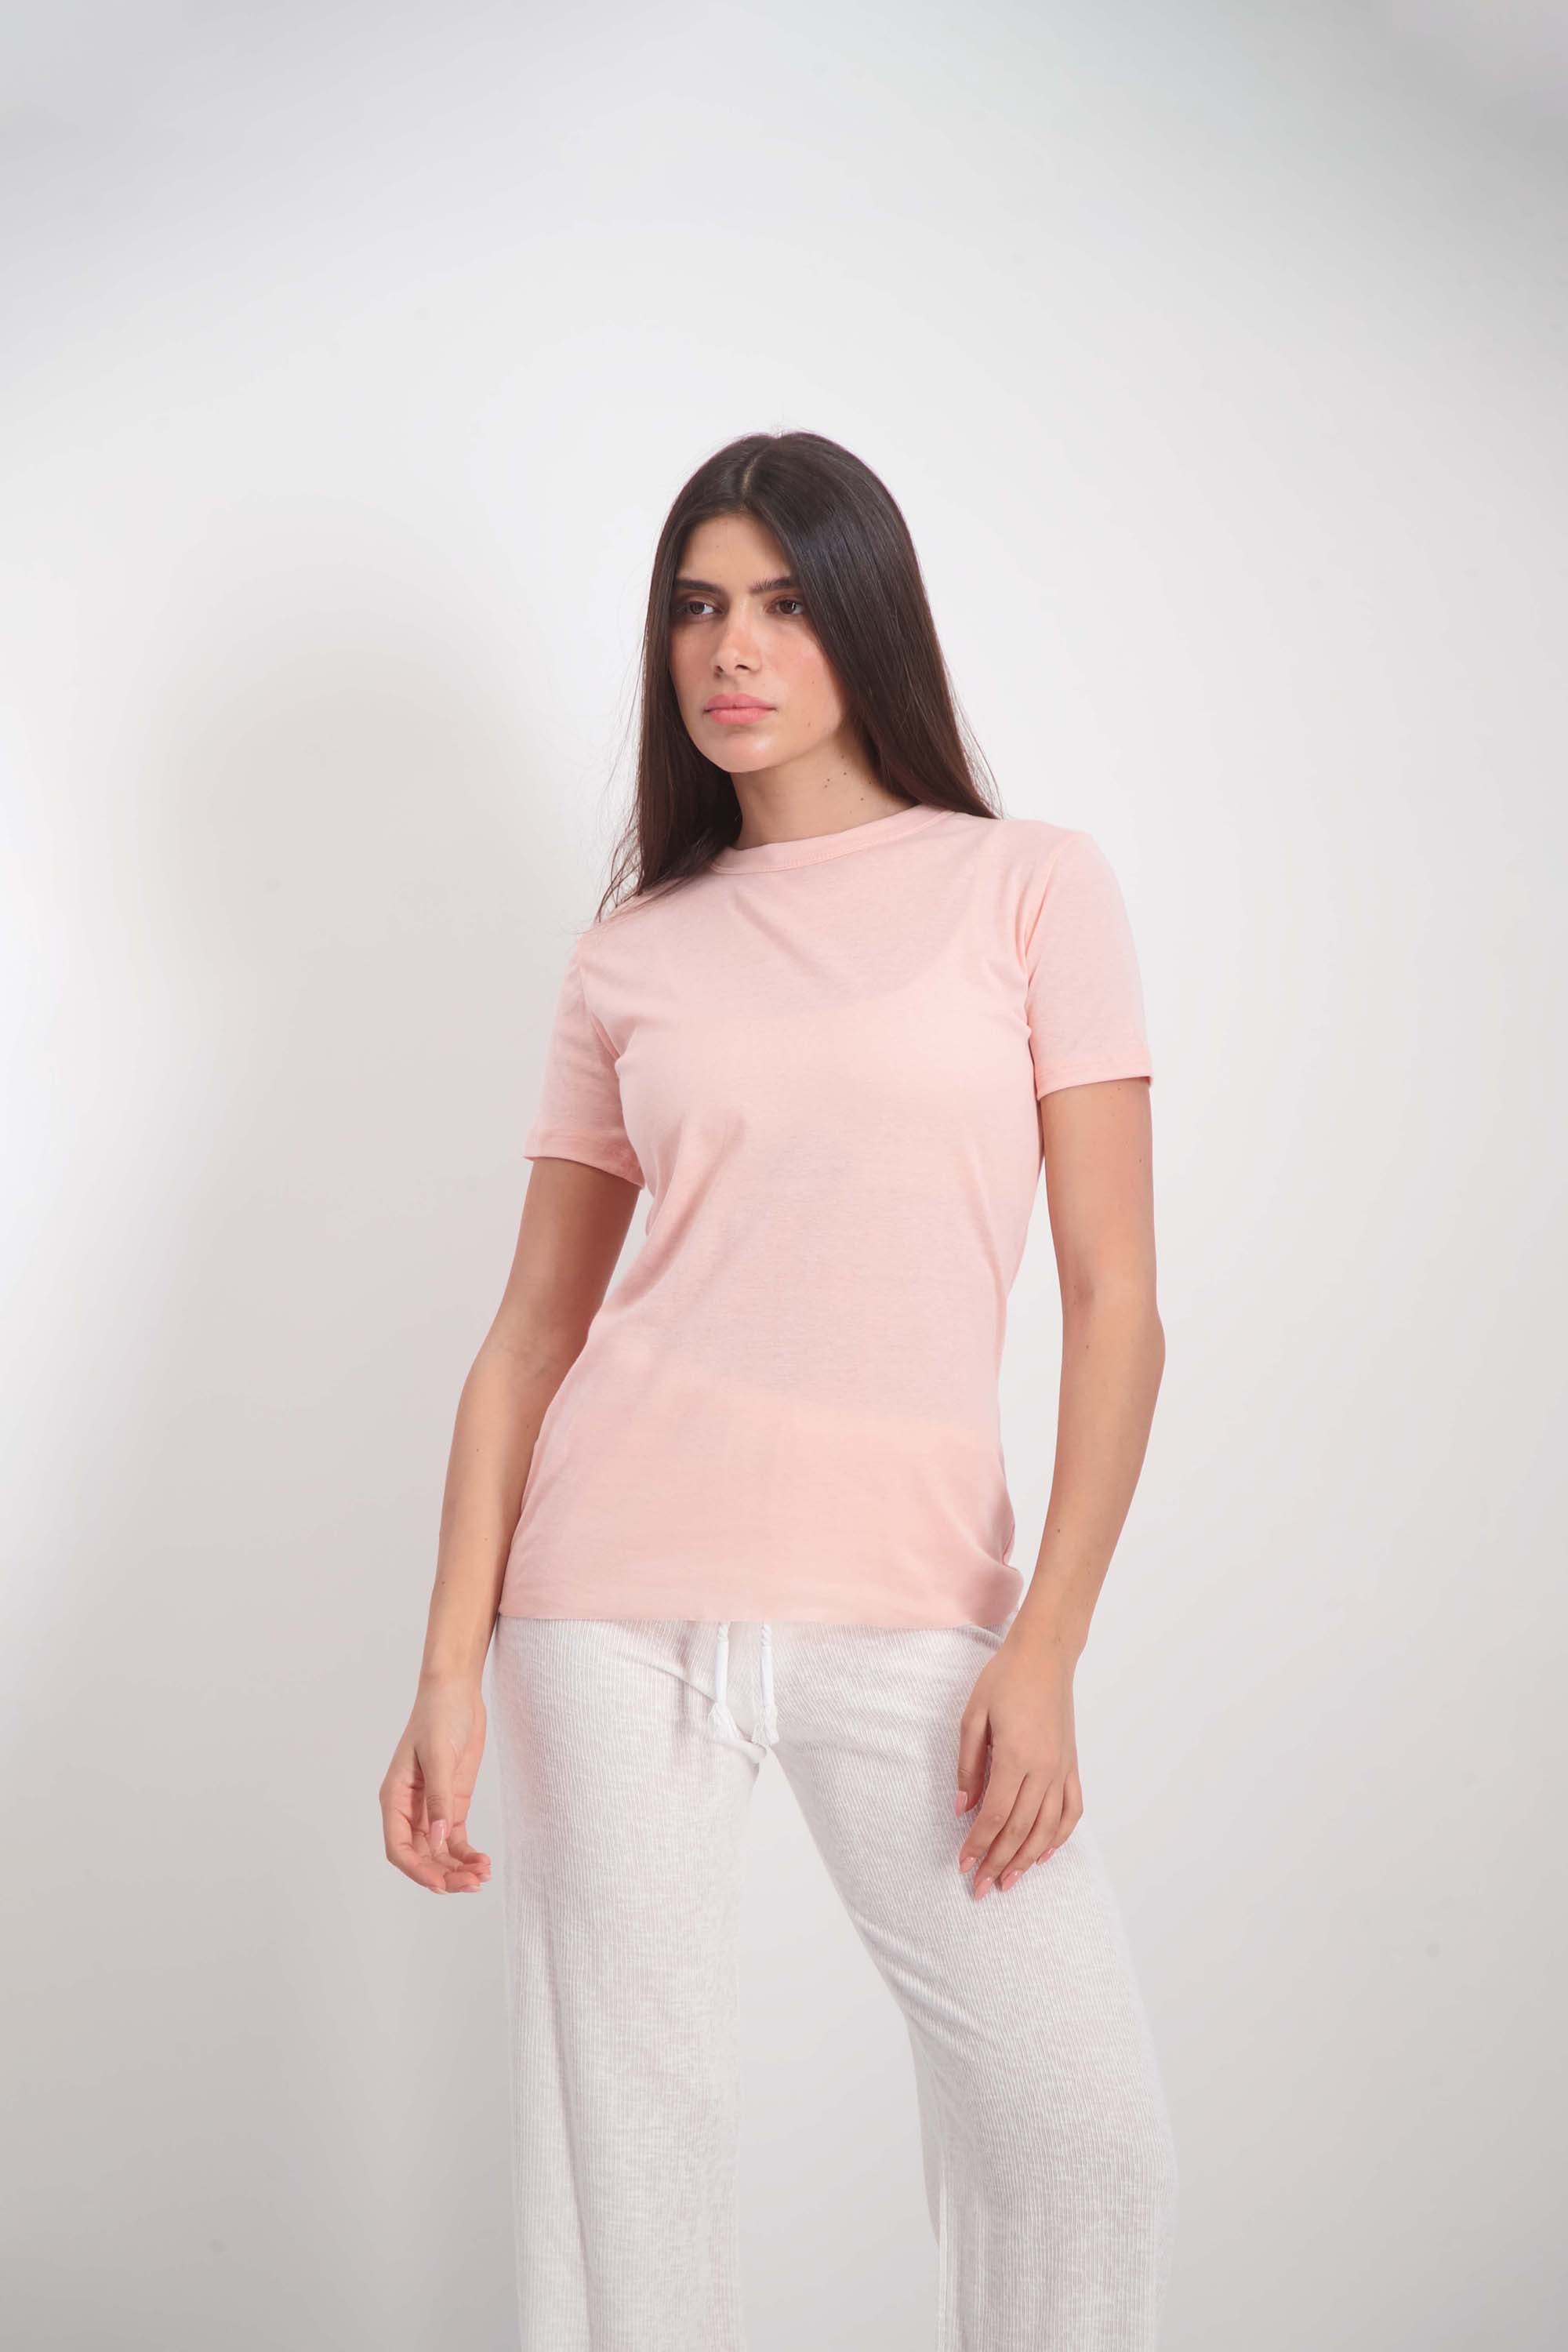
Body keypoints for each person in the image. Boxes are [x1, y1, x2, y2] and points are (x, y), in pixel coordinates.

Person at [379, 430, 1179, 2350]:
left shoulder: (1027, 889)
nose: (730, 650)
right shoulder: (631, 954)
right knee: (627, 2152)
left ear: (868, 623)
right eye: (696, 607)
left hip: (915, 1609)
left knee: (1083, 2139)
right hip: (606, 1602)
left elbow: (1118, 1302)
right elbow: (529, 1335)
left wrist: (1048, 1644)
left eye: (785, 604)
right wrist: (446, 1670)